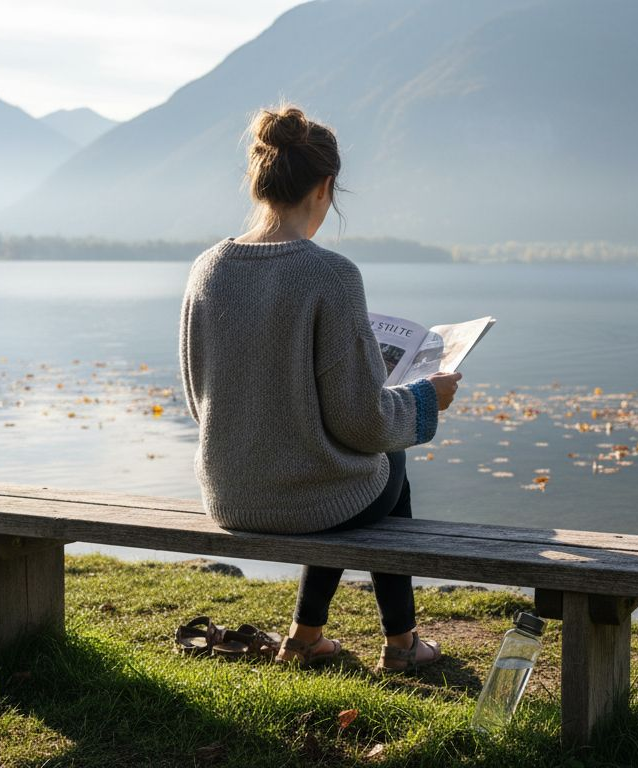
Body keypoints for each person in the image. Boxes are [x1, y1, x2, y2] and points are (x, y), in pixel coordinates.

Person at [178, 104, 460, 672]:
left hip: (229, 493)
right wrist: (429, 398)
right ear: (326, 186)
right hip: (303, 497)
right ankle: (402, 646)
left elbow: (197, 397)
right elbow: (364, 423)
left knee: (342, 471)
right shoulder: (330, 274)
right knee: (385, 462)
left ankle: (307, 637)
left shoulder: (208, 267)